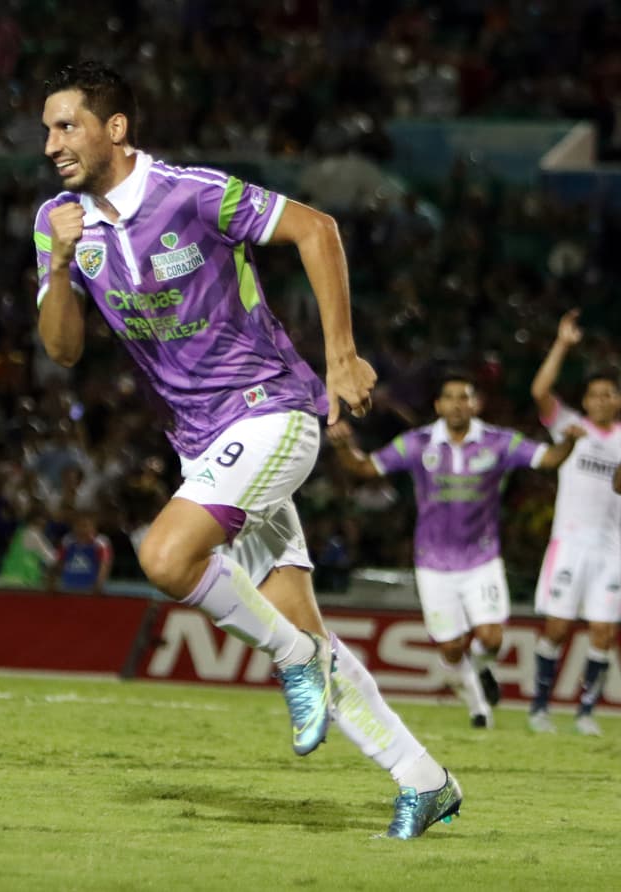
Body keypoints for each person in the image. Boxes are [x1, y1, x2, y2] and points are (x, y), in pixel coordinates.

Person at [34, 60, 454, 839]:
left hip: (272, 413)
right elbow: (61, 349)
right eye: (48, 129)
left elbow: (316, 229)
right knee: (307, 629)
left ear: (115, 130)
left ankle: (293, 659)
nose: (53, 142)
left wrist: (340, 355)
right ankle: (423, 779)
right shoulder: (57, 222)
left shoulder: (191, 193)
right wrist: (59, 264)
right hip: (202, 443)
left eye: (68, 125)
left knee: (165, 558)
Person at [328, 371, 580, 729]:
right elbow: (365, 467)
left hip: (482, 558)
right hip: (432, 562)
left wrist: (569, 442)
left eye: (465, 397)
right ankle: (480, 709)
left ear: (476, 404)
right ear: (438, 405)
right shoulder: (418, 443)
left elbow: (549, 459)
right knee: (450, 648)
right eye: (450, 398)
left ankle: (475, 674)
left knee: (491, 639)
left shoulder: (498, 442)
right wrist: (342, 446)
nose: (458, 404)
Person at [527, 310, 621, 735]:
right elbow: (540, 390)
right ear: (585, 401)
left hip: (611, 548)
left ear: (618, 400)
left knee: (603, 632)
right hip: (569, 543)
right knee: (558, 627)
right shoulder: (570, 427)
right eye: (595, 395)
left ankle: (585, 712)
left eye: (609, 394)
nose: (601, 400)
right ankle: (540, 707)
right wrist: (563, 344)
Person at [50, 512, 113, 592]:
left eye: (85, 526)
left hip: (90, 588)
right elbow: (59, 562)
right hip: (68, 587)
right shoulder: (67, 541)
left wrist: (99, 583)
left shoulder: (101, 543)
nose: (81, 529)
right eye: (78, 525)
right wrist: (53, 581)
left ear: (93, 527)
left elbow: (104, 565)